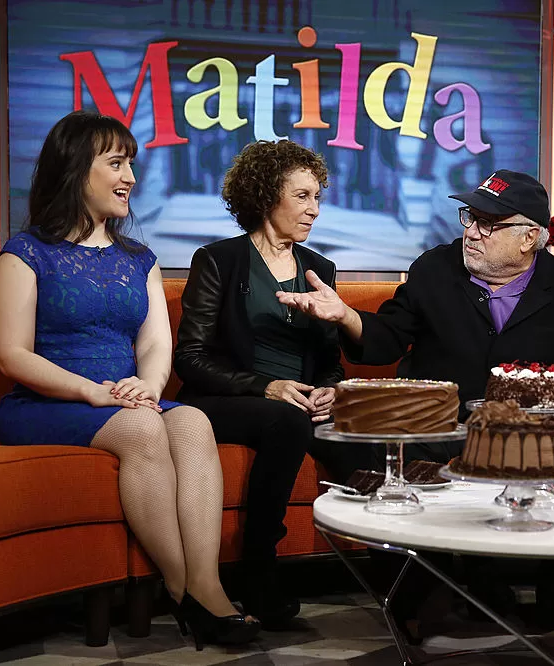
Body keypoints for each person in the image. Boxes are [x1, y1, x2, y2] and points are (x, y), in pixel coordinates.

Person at [278, 169, 554, 632]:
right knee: (345, 438)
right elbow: (387, 339)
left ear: (530, 237)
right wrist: (348, 316)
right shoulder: (435, 267)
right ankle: (429, 588)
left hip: (526, 431)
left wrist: (535, 408)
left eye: (489, 224)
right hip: (439, 428)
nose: (471, 232)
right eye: (470, 217)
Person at [0, 110, 260, 649]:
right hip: (49, 402)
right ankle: (184, 589)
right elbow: (11, 355)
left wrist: (151, 386)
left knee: (191, 424)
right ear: (75, 170)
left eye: (131, 164)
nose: (130, 178)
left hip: (127, 397)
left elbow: (157, 343)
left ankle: (206, 583)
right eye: (116, 163)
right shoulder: (25, 254)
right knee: (141, 431)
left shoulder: (139, 259)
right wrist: (93, 391)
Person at [174, 139, 368, 626]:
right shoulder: (218, 260)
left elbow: (327, 359)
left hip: (297, 403)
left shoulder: (319, 269)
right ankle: (258, 567)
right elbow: (190, 359)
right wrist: (266, 385)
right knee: (286, 421)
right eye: (302, 196)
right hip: (223, 398)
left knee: (357, 435)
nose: (315, 211)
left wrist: (328, 388)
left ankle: (408, 577)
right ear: (265, 197)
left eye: (318, 197)